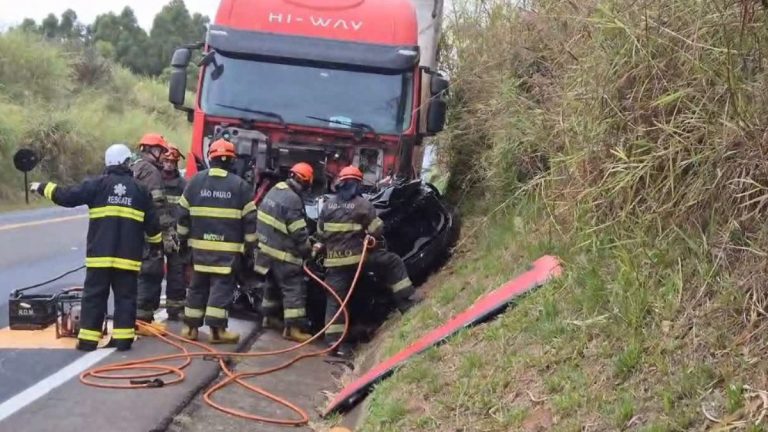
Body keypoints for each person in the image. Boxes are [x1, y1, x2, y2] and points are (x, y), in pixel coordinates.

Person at [29, 143, 162, 352]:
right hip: (128, 259)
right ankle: (123, 340)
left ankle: (88, 341)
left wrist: (42, 187)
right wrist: (156, 246)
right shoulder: (140, 190)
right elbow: (153, 226)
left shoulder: (97, 185)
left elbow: (67, 196)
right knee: (126, 298)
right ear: (127, 163)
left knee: (94, 297)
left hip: (100, 256)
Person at [316, 166, 418, 357]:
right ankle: (407, 302)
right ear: (357, 184)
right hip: (359, 259)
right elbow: (377, 230)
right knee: (393, 262)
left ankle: (333, 345)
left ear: (340, 183)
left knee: (336, 301)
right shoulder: (363, 205)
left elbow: (321, 233)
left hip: (335, 263)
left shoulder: (328, 205)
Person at [176, 139, 258, 343]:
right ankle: (217, 331)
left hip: (199, 249)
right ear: (231, 161)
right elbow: (250, 221)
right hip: (227, 253)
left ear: (210, 158)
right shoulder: (240, 186)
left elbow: (182, 214)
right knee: (221, 289)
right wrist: (249, 247)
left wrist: (183, 240)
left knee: (197, 287)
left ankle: (190, 329)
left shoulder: (195, 182)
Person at [253, 162, 314, 343]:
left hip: (264, 252)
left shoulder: (276, 189)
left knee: (271, 285)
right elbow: (299, 233)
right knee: (294, 289)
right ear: (305, 181)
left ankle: (269, 318)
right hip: (282, 255)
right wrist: (308, 252)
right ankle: (293, 329)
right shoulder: (293, 200)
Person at [136, 143, 188, 321]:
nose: (169, 165)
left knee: (177, 271)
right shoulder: (153, 178)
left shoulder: (183, 185)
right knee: (152, 270)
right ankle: (145, 309)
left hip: (174, 234)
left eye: (173, 162)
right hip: (155, 233)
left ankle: (176, 307)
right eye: (166, 161)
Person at [132, 133, 171, 334]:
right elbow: (158, 207)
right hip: (149, 232)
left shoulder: (136, 167)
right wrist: (167, 234)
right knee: (151, 271)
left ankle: (137, 316)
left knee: (138, 273)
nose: (163, 155)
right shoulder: (152, 173)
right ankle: (142, 319)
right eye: (161, 151)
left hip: (134, 231)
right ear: (151, 150)